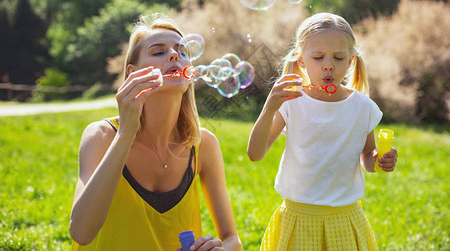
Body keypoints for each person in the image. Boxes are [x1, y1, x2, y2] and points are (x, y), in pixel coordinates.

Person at [69, 13, 242, 251]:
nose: (174, 55)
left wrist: (220, 250)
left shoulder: (203, 145)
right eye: (158, 51)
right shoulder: (102, 136)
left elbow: (233, 239)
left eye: (181, 52)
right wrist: (125, 134)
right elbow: (81, 233)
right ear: (132, 73)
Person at [247, 13, 398, 250]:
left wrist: (380, 160)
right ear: (302, 60)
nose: (328, 64)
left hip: (344, 219)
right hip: (297, 218)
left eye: (338, 57)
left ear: (350, 61)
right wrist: (269, 108)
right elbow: (255, 153)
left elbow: (367, 158)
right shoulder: (291, 101)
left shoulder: (362, 107)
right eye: (318, 57)